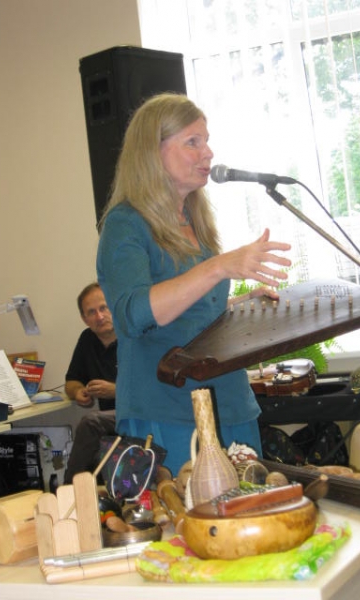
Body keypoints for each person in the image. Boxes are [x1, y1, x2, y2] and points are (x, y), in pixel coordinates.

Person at [97, 92, 291, 477]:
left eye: (206, 141)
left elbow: (192, 314)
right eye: (193, 142)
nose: (208, 153)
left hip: (230, 403)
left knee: (250, 507)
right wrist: (218, 267)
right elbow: (133, 315)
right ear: (153, 152)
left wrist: (243, 305)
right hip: (167, 410)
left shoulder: (196, 220)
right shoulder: (125, 224)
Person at [64, 282, 117, 483]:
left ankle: (67, 490)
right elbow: (71, 381)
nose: (100, 316)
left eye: (104, 308)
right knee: (94, 455)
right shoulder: (87, 339)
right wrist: (78, 392)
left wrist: (116, 391)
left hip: (137, 413)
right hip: (110, 423)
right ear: (84, 318)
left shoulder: (133, 337)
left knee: (90, 423)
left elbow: (153, 388)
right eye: (92, 312)